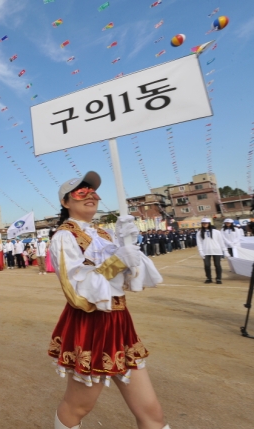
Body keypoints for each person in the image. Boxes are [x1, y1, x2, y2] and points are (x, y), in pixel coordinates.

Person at [47, 171, 169, 429]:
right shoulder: (63, 237)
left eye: (93, 192)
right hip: (91, 326)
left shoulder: (105, 234)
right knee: (78, 407)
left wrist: (131, 246)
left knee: (152, 411)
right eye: (81, 192)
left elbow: (134, 281)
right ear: (66, 202)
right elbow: (78, 294)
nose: (90, 195)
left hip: (120, 322)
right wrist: (117, 261)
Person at [197, 218, 227, 284]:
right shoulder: (199, 232)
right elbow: (199, 243)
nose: (205, 224)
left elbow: (221, 241)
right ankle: (209, 278)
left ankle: (218, 278)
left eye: (206, 223)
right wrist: (201, 251)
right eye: (203, 223)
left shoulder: (216, 232)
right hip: (206, 251)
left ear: (209, 223)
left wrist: (224, 250)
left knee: (217, 265)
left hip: (216, 250)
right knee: (207, 265)